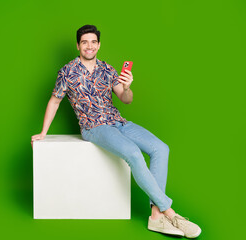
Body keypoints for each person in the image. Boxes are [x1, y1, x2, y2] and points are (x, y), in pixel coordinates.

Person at [31, 25, 201, 238]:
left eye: (93, 42)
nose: (89, 46)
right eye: (85, 42)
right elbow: (54, 101)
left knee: (161, 148)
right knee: (133, 153)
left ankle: (156, 216)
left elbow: (125, 99)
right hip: (94, 127)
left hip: (118, 121)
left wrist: (128, 87)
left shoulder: (108, 69)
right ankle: (170, 212)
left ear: (99, 44)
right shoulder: (67, 72)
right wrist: (43, 132)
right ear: (78, 45)